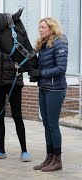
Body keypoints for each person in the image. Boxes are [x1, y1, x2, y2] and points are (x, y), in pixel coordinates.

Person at [29, 17, 68, 172]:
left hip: (55, 90)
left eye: (43, 27)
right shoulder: (44, 45)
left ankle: (57, 160)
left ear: (51, 28)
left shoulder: (60, 43)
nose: (40, 29)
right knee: (46, 124)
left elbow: (61, 68)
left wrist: (41, 73)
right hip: (44, 88)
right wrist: (35, 74)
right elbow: (41, 66)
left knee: (52, 125)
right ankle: (49, 158)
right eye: (39, 27)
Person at [0, 45, 31, 162]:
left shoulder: (16, 42)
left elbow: (27, 61)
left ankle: (24, 151)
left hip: (14, 84)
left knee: (17, 116)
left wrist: (20, 68)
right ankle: (1, 151)